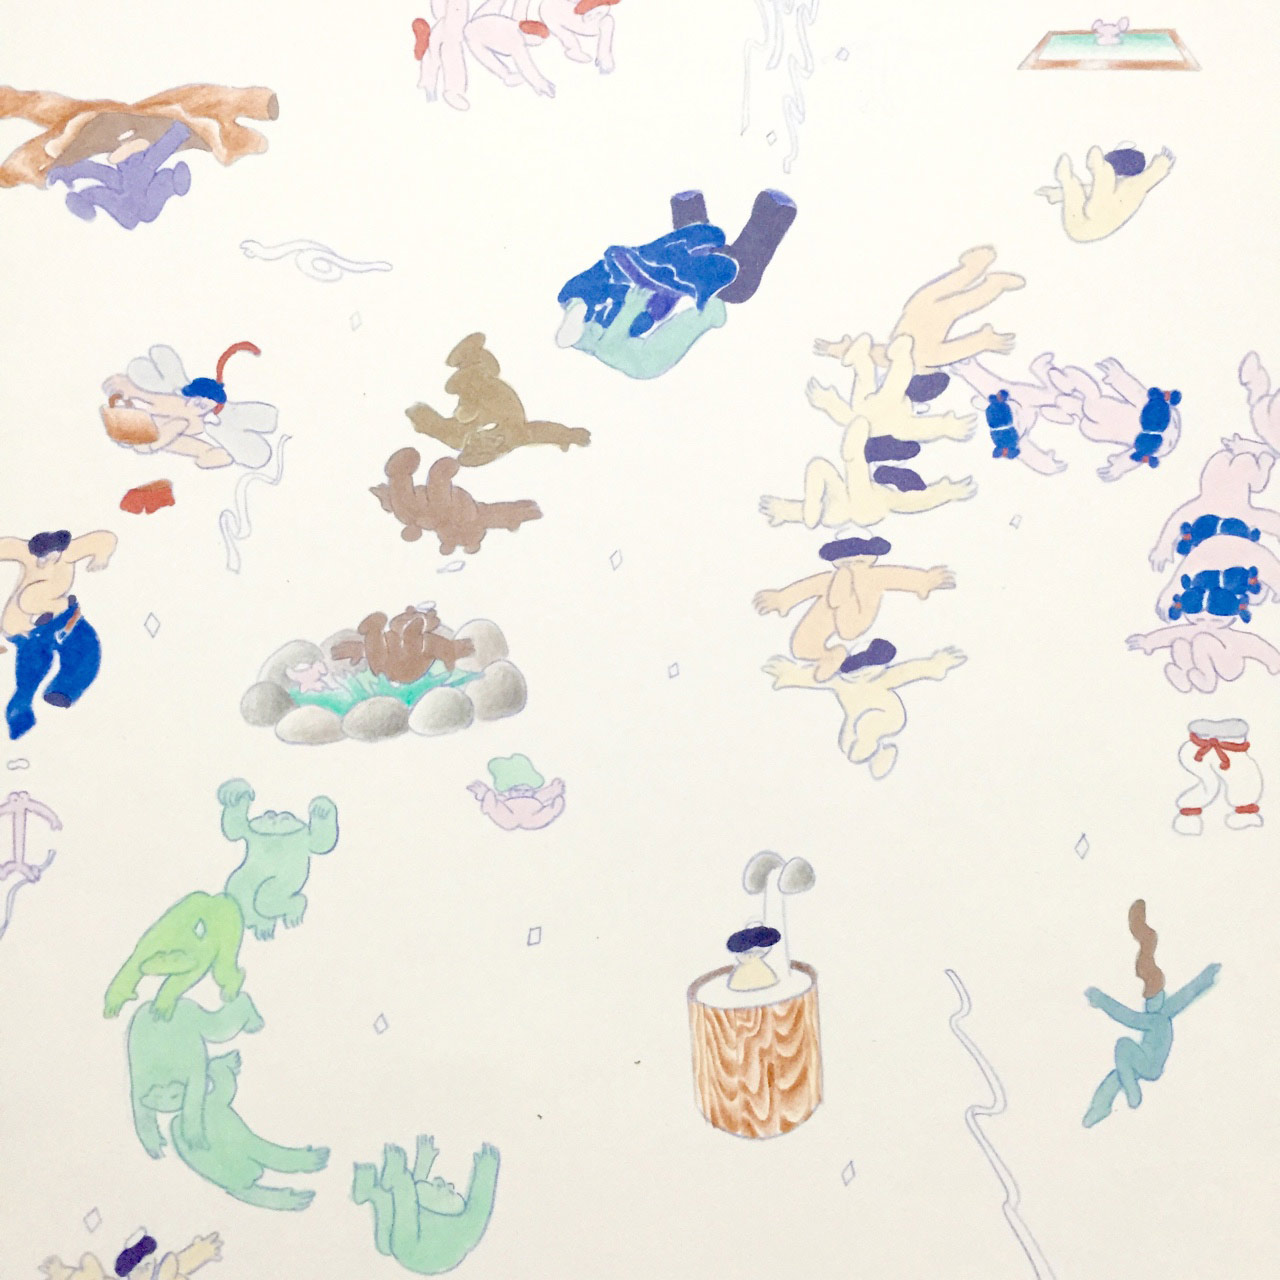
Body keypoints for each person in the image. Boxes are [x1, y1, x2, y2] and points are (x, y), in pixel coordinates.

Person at [0, 529, 116, 739]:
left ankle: (64, 689)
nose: (43, 562)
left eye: (48, 557)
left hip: (62, 620)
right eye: (39, 557)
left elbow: (103, 539)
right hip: (27, 631)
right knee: (29, 674)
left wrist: (102, 557)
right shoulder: (25, 553)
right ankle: (20, 714)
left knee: (85, 650)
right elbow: (6, 546)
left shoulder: (69, 553)